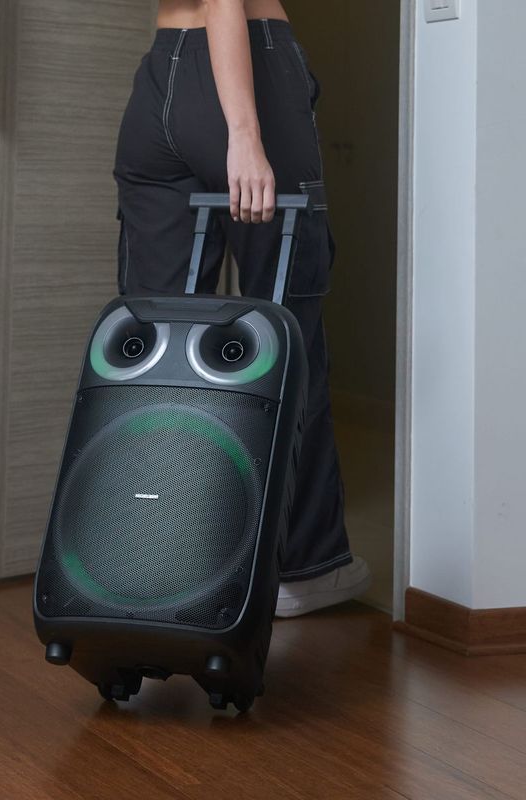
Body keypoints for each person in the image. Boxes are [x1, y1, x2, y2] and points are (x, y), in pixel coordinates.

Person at [113, 0, 371, 616]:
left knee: (156, 342)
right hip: (247, 69)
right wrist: (245, 134)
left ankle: (152, 558)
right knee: (286, 331)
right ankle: (303, 568)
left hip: (159, 79)